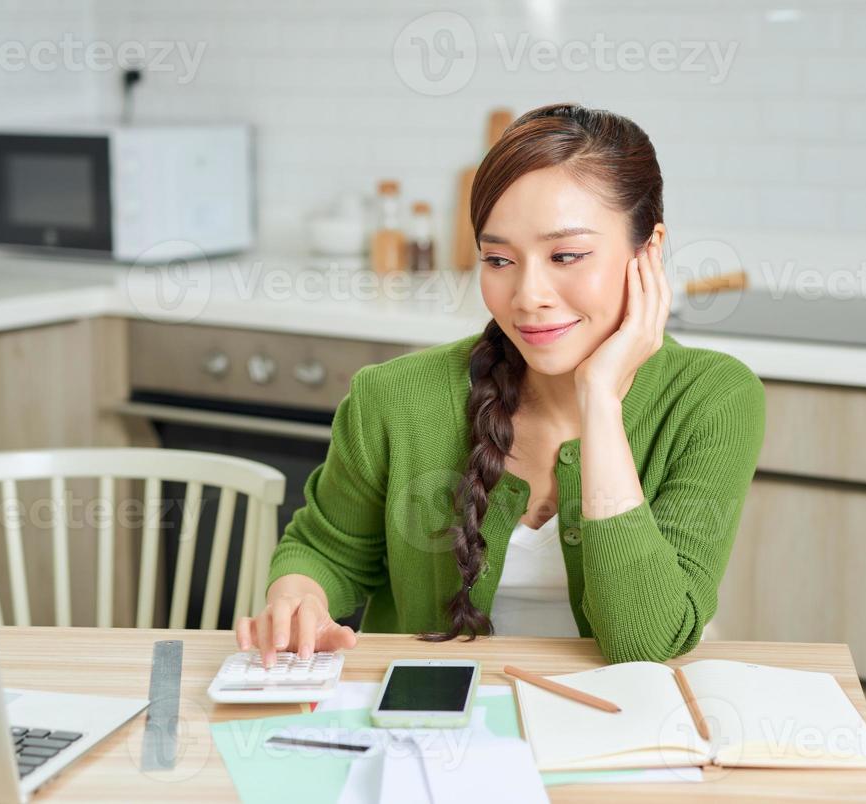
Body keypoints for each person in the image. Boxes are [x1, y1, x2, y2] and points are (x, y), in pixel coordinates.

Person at [234, 103, 766, 665]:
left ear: (648, 252)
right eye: (498, 258)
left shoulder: (713, 399)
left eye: (566, 255)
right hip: (437, 727)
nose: (528, 295)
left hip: (622, 723)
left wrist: (601, 401)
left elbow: (645, 644)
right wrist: (299, 597)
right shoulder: (394, 397)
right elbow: (325, 550)